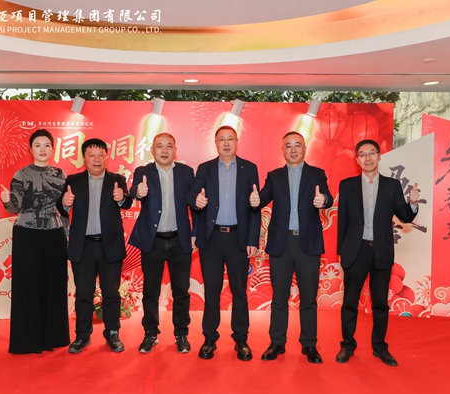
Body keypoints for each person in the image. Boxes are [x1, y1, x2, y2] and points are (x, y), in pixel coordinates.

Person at [249, 131, 333, 363]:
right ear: (283, 150)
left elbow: (327, 197)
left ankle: (309, 344)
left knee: (309, 298)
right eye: (288, 146)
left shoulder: (317, 174)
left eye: (298, 145)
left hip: (308, 244)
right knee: (279, 297)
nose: (293, 150)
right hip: (281, 243)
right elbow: (262, 198)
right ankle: (277, 342)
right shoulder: (274, 176)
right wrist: (255, 201)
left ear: (305, 149)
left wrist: (324, 201)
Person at [336, 139, 419, 366]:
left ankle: (380, 347)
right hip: (356, 251)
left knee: (380, 303)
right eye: (362, 154)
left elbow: (405, 216)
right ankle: (347, 345)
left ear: (379, 156)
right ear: (357, 159)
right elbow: (343, 221)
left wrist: (412, 203)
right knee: (350, 302)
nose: (368, 158)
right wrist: (342, 252)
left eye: (371, 153)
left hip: (381, 251)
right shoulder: (347, 185)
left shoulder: (392, 186)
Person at [187, 125, 261, 361]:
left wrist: (252, 238)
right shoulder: (205, 168)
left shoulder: (250, 168)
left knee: (240, 291)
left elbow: (255, 205)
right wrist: (196, 201)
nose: (226, 143)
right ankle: (209, 338)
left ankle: (241, 339)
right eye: (222, 139)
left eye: (231, 139)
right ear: (216, 143)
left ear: (237, 142)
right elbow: (192, 197)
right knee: (212, 290)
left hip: (239, 238)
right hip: (212, 238)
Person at [58, 138, 133, 354]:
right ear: (84, 158)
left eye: (101, 154)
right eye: (92, 155)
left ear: (107, 157)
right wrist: (65, 203)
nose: (96, 159)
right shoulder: (73, 180)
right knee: (84, 293)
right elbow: (62, 208)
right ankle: (82, 335)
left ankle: (112, 333)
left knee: (111, 293)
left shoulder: (117, 179)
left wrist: (121, 198)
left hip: (110, 246)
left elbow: (128, 203)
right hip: (83, 247)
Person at [1, 129, 70, 354]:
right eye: (38, 145)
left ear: (53, 149)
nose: (42, 149)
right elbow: (14, 207)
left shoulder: (60, 174)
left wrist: (67, 233)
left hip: (54, 234)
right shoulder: (21, 174)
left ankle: (53, 337)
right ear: (30, 149)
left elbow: (64, 209)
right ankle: (28, 341)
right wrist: (6, 200)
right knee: (27, 287)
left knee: (54, 286)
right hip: (27, 235)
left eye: (47, 145)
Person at [129, 133, 198, 354]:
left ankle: (181, 334)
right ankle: (150, 333)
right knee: (151, 291)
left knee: (181, 291)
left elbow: (195, 204)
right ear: (153, 150)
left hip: (179, 240)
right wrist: (138, 192)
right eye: (160, 146)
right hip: (153, 242)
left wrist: (195, 233)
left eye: (169, 146)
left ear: (175, 150)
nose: (165, 150)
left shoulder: (186, 172)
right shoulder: (143, 172)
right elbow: (134, 191)